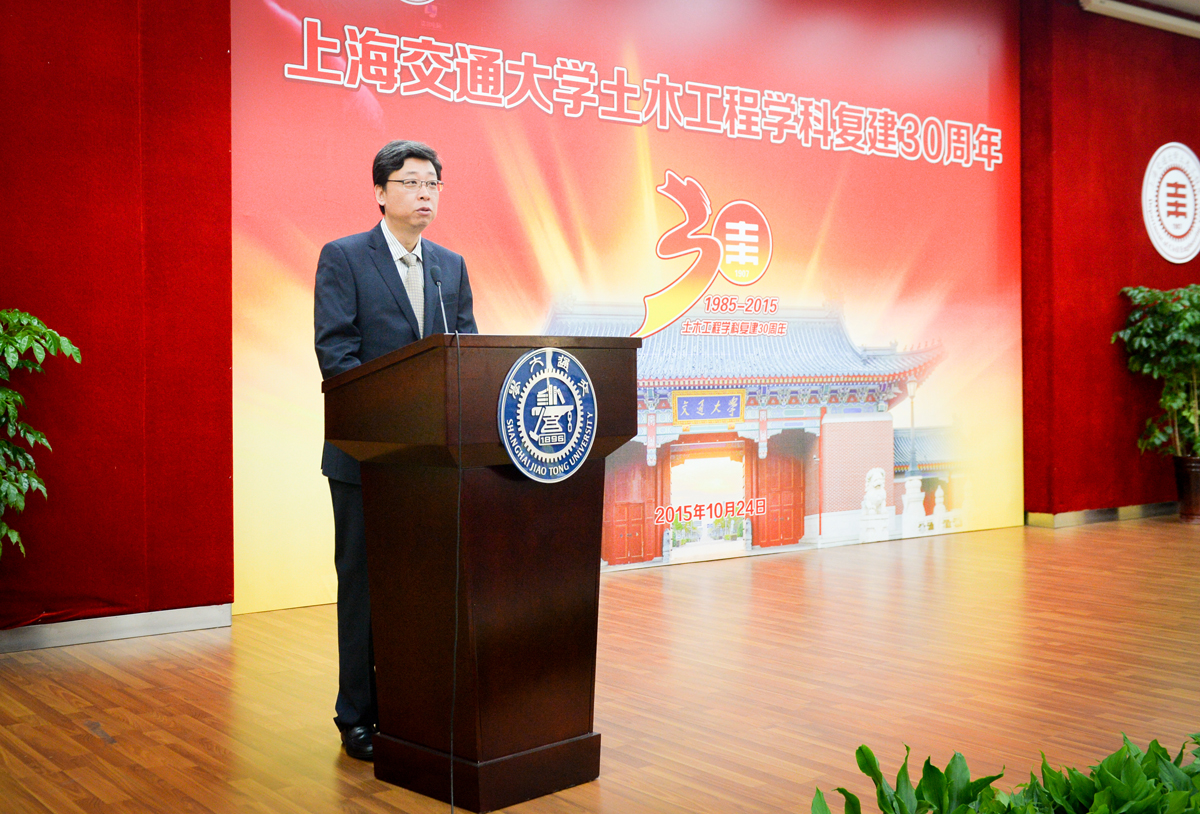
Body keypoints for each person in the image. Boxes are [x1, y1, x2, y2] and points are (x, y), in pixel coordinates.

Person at [313, 140, 477, 761]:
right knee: (364, 590)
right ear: (380, 192)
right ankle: (356, 716)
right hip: (366, 458)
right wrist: (391, 418)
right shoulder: (344, 257)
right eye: (410, 182)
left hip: (431, 462)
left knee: (423, 590)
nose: (424, 193)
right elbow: (337, 355)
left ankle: (417, 706)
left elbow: (466, 353)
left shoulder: (449, 267)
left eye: (432, 183)